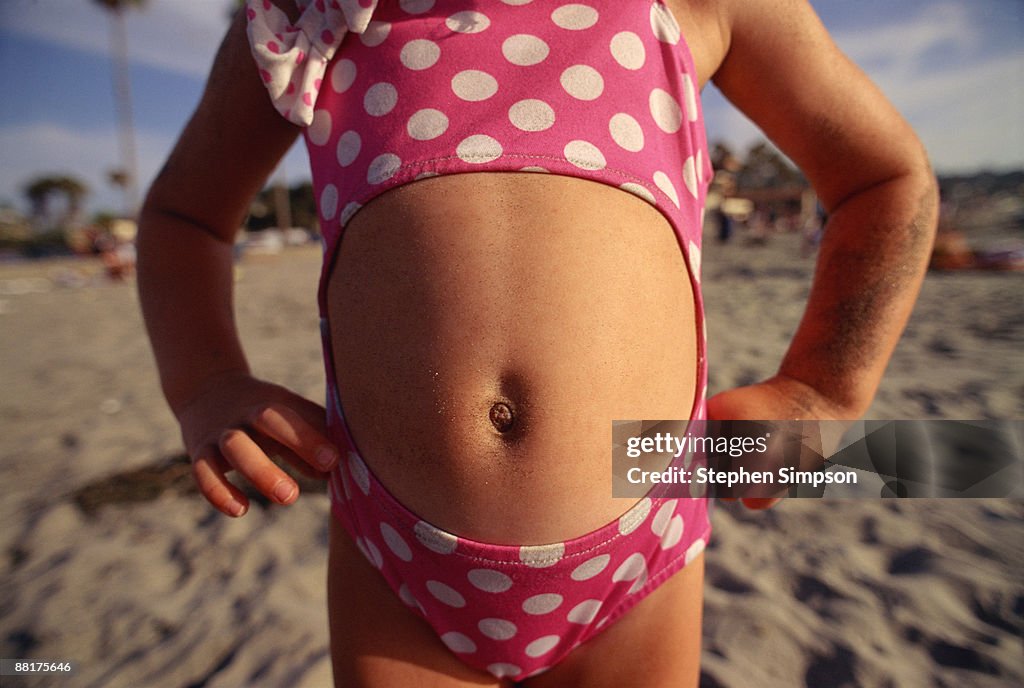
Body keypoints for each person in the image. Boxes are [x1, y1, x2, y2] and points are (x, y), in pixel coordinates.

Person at [137, 1, 937, 685]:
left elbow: (884, 177)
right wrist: (205, 382)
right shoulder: (308, 18)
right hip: (398, 564)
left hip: (640, 549)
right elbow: (184, 217)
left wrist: (823, 390)